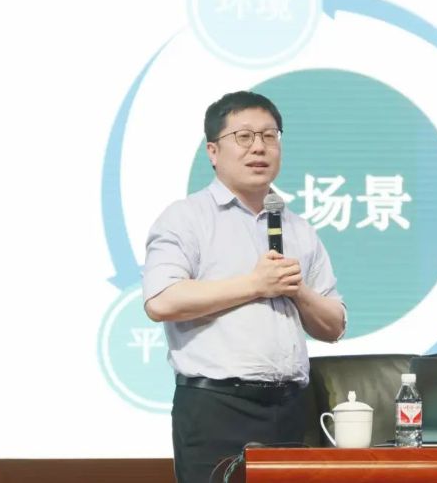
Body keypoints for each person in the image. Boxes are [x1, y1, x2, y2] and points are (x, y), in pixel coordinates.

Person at [142, 90, 346, 483]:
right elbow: (161, 301)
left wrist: (298, 291)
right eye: (244, 136)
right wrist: (255, 284)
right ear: (213, 151)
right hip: (217, 409)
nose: (259, 148)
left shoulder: (299, 228)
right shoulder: (186, 218)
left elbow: (334, 325)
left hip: (292, 409)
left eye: (270, 136)